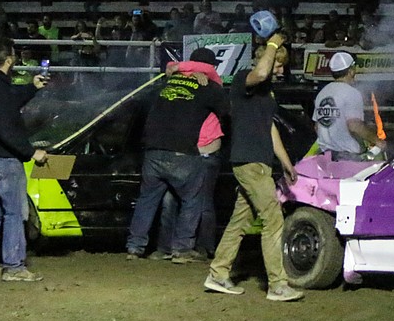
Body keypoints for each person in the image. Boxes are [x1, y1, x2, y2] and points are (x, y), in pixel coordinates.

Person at [205, 34, 304, 302]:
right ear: (267, 60)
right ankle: (278, 285)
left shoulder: (266, 93)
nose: (282, 70)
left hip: (256, 162)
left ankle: (218, 272)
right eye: (279, 65)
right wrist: (273, 44)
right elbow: (260, 72)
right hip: (250, 163)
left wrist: (285, 162)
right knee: (273, 219)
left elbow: (269, 128)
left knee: (240, 220)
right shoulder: (243, 79)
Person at [125, 46, 228, 262]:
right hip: (183, 152)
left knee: (147, 200)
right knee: (192, 199)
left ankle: (135, 247)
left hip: (153, 151)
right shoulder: (207, 86)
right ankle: (182, 249)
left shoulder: (166, 81)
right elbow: (228, 112)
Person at [0, 37, 50, 282]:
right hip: (6, 159)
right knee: (15, 213)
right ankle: (14, 266)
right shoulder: (0, 89)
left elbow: (6, 103)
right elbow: (6, 127)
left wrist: (32, 88)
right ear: (8, 59)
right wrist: (30, 152)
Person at [312, 51, 380, 160]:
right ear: (351, 71)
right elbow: (354, 125)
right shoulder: (351, 93)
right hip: (347, 156)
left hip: (325, 155)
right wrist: (377, 141)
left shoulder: (322, 92)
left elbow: (317, 126)